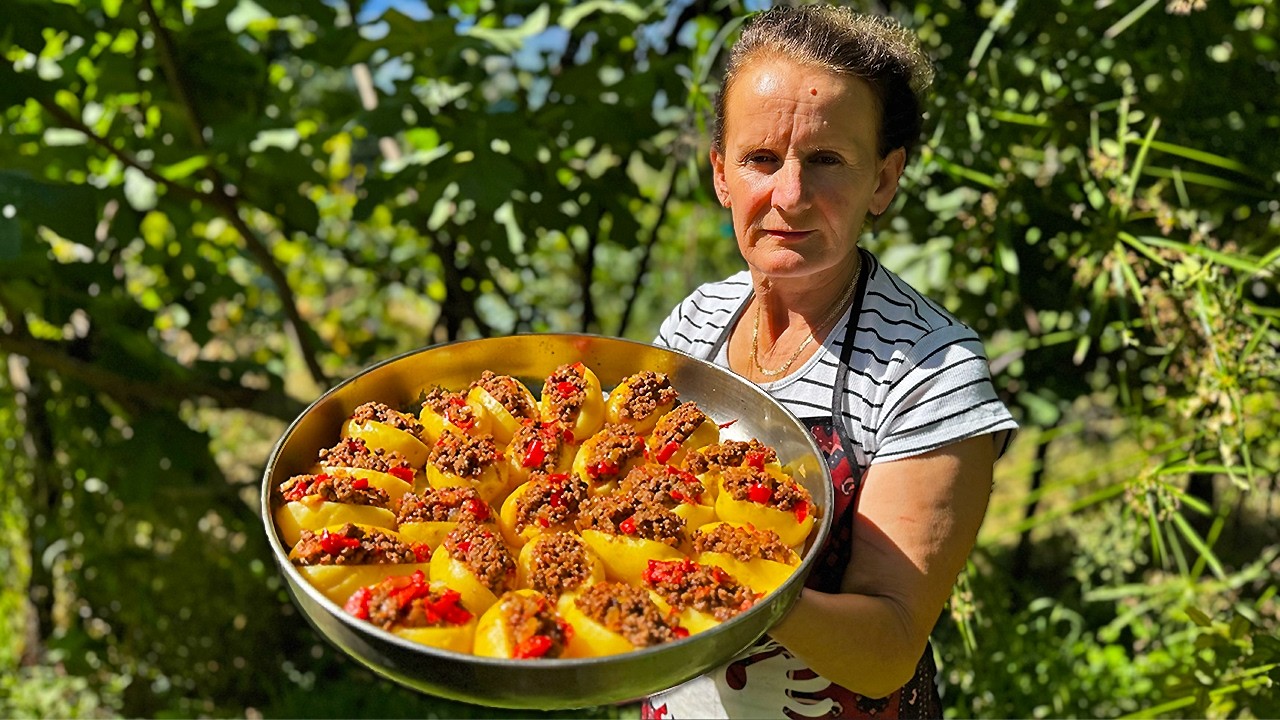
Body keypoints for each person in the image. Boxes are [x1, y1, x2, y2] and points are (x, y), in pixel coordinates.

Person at [644, 6, 1017, 718]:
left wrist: (728, 572)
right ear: (721, 174)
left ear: (884, 179)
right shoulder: (695, 321)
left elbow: (886, 649)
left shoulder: (929, 371)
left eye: (826, 161)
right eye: (761, 159)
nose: (789, 195)